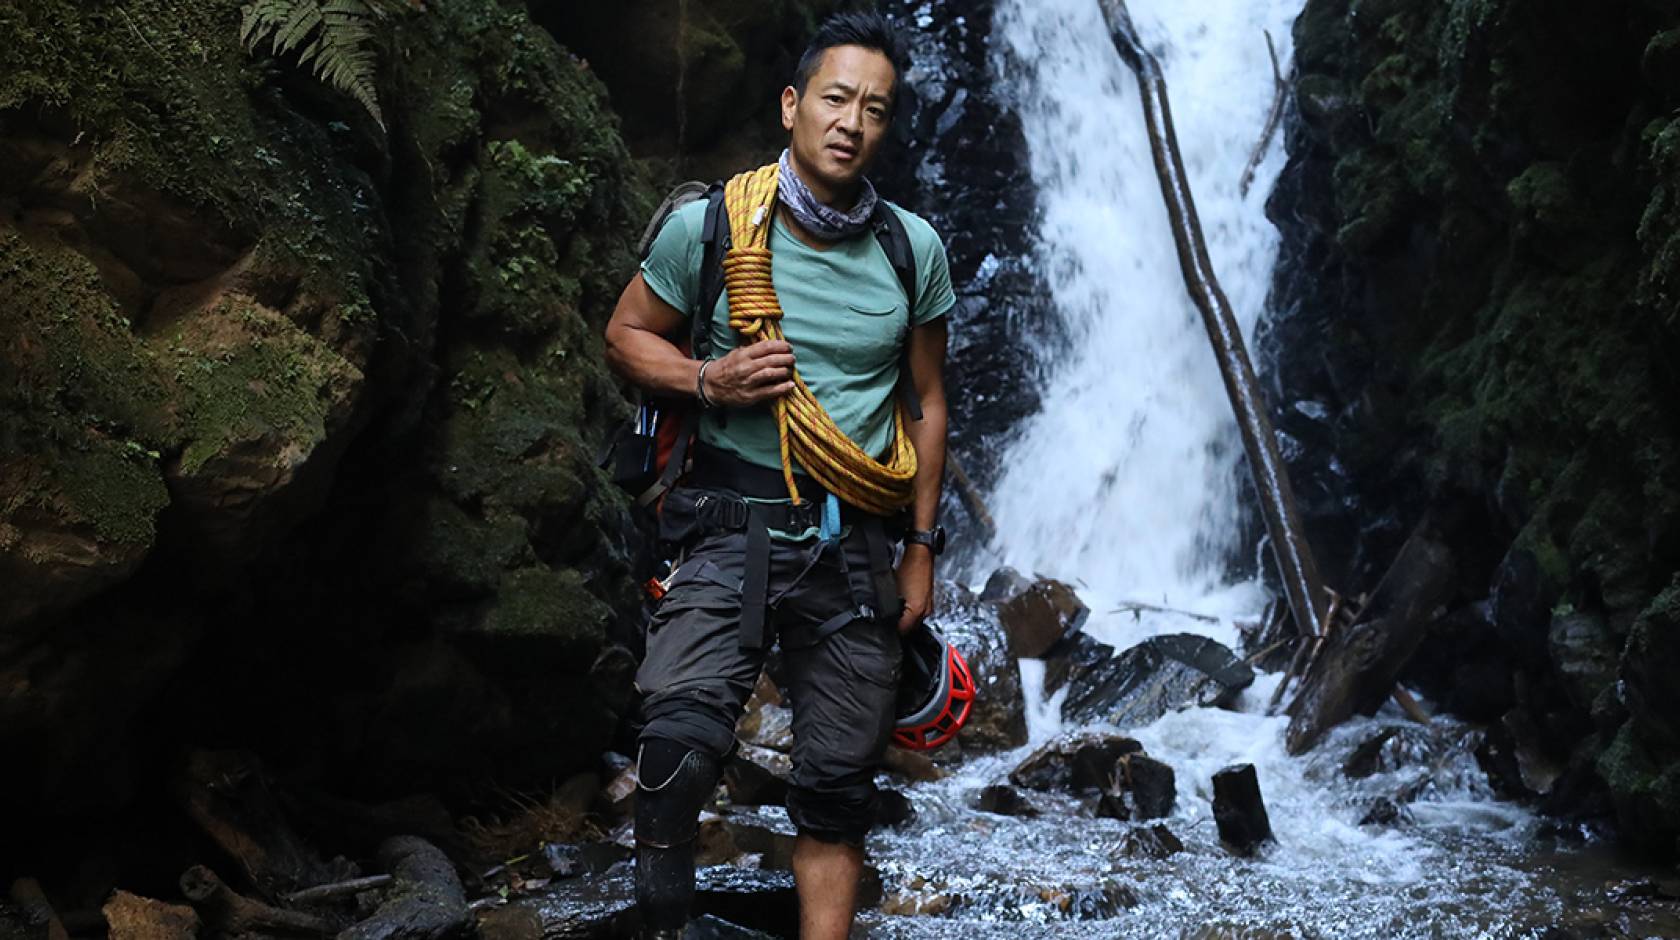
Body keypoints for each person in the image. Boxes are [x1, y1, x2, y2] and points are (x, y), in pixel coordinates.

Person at [602, 11, 954, 939]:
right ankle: (667, 922)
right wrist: (708, 377)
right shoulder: (710, 226)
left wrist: (921, 548)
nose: (852, 122)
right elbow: (626, 335)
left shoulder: (911, 250)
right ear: (794, 104)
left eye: (875, 109)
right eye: (836, 98)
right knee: (675, 753)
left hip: (858, 546)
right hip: (726, 526)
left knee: (837, 791)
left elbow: (926, 405)